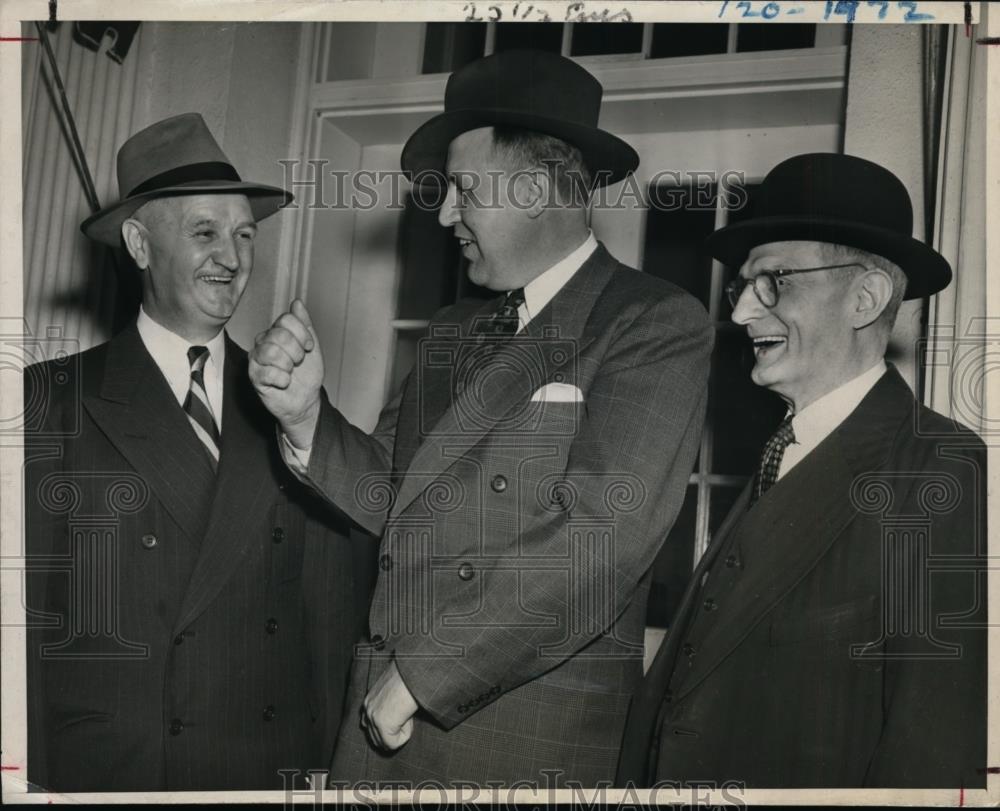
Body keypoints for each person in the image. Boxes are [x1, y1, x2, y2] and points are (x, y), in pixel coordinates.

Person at [249, 49, 713, 788]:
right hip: (376, 733)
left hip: (516, 748)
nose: (443, 213)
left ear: (533, 189)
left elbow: (600, 543)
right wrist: (307, 415)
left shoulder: (649, 323)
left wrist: (422, 676)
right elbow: (390, 498)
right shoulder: (450, 333)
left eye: (463, 189)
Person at [616, 153, 987, 789]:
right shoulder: (784, 448)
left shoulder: (940, 467)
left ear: (865, 297)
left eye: (775, 282)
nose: (740, 315)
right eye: (742, 287)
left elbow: (932, 744)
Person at [23, 113, 368, 792]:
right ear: (139, 244)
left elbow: (340, 597)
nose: (234, 258)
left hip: (263, 774)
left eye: (245, 234)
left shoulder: (291, 401)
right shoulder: (48, 401)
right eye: (205, 232)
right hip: (117, 775)